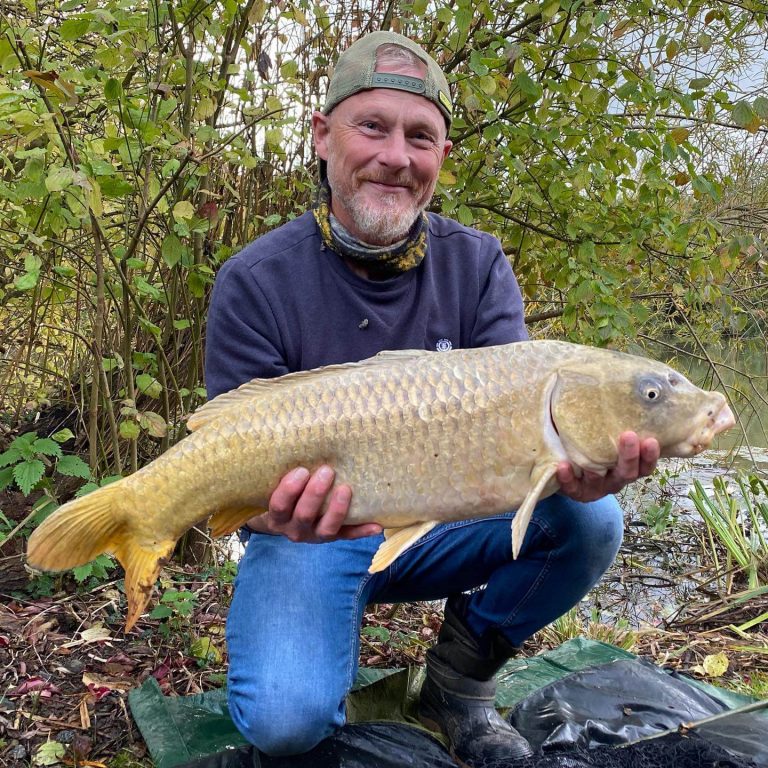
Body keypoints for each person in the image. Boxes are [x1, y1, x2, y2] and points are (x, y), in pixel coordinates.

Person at [204, 30, 660, 767]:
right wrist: (270, 513)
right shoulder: (255, 280)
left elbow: (524, 444)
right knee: (285, 727)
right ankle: (317, 640)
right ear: (322, 136)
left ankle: (456, 685)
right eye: (372, 127)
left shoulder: (476, 264)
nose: (396, 155)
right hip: (311, 537)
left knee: (591, 518)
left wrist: (576, 464)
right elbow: (228, 483)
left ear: (442, 159)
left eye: (421, 136)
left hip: (440, 522)